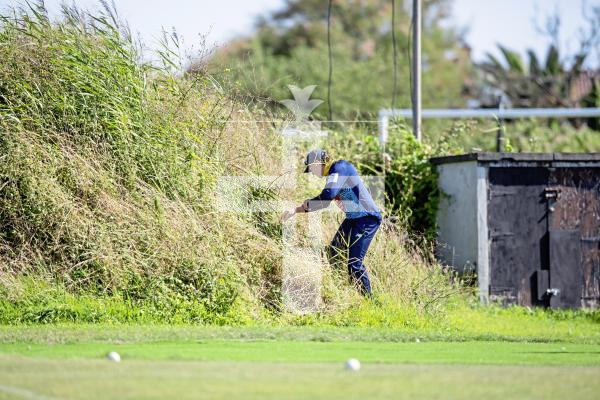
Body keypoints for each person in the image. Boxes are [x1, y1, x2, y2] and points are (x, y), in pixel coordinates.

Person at [282, 149, 382, 296]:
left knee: (354, 263)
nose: (313, 173)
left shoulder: (340, 168)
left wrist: (307, 203)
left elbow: (328, 195)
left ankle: (370, 301)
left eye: (311, 169)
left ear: (319, 163)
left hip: (367, 219)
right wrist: (295, 210)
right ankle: (337, 290)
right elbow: (324, 203)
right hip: (353, 219)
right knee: (333, 252)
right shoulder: (333, 174)